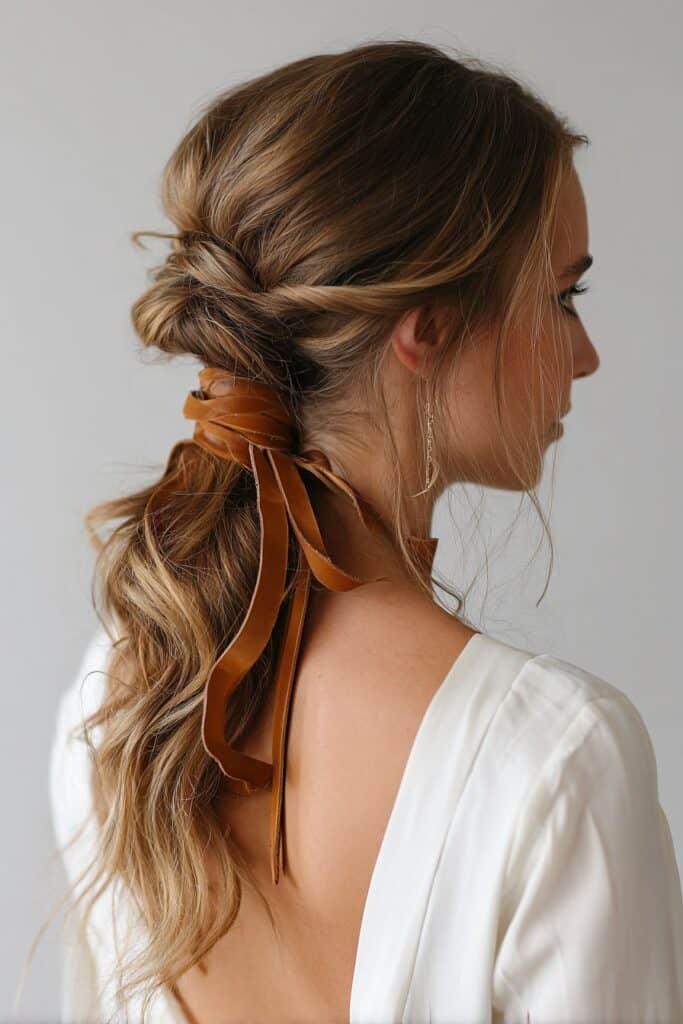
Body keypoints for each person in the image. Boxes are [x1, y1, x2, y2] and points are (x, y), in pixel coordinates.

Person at [48, 39, 683, 1024]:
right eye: (561, 297)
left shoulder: (119, 695)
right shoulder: (553, 761)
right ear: (422, 326)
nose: (586, 355)